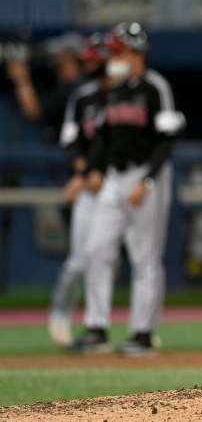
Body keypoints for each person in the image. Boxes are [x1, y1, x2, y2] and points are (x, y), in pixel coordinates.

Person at [69, 22, 185, 356]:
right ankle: (96, 327)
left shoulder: (155, 87)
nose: (112, 56)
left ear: (136, 53)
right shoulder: (114, 89)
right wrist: (90, 171)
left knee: (144, 256)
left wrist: (146, 179)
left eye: (118, 51)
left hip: (146, 176)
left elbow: (167, 140)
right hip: (114, 178)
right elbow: (103, 139)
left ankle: (143, 332)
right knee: (95, 249)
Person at [48, 33, 110, 346]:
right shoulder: (83, 96)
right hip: (90, 185)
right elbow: (71, 139)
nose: (91, 65)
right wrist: (81, 171)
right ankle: (60, 314)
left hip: (119, 183)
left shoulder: (124, 95)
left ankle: (107, 327)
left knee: (120, 259)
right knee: (80, 259)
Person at [4, 31, 87, 143]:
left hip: (75, 150)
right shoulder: (76, 84)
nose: (56, 56)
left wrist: (21, 80)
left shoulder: (72, 89)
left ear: (70, 56)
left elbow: (34, 111)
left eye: (61, 52)